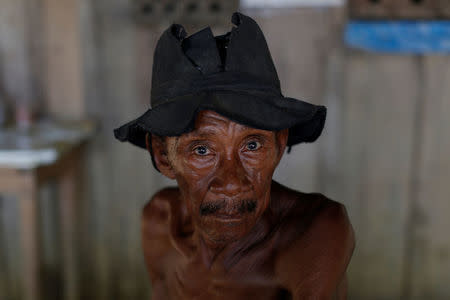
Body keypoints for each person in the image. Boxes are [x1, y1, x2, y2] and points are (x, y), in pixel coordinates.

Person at [114, 12, 354, 300]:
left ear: (279, 144)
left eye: (252, 146)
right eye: (202, 150)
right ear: (163, 155)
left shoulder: (312, 231)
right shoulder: (159, 223)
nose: (231, 182)